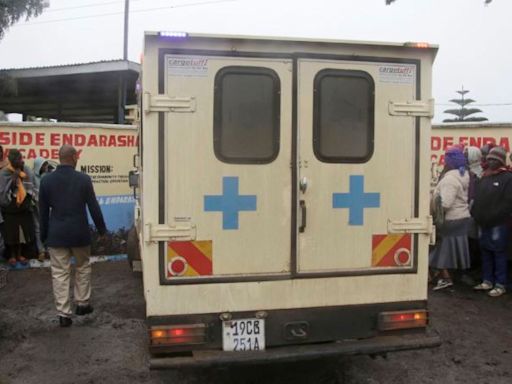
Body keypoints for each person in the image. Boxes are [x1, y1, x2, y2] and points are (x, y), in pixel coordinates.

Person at [39, 145, 107, 327]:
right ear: (75, 158)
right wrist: (102, 230)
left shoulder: (46, 181)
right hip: (79, 234)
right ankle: (82, 304)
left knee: (60, 274)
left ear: (59, 158)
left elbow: (43, 213)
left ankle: (63, 315)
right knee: (83, 267)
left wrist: (44, 236)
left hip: (56, 235)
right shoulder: (83, 179)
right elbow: (94, 207)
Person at [471, 146, 512, 297]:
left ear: (501, 161)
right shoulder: (485, 176)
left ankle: (500, 284)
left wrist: (494, 216)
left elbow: (508, 203)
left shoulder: (508, 178)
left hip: (498, 223)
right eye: (489, 159)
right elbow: (477, 198)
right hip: (482, 222)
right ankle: (487, 281)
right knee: (485, 251)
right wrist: (476, 213)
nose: (491, 161)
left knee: (499, 252)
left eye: (494, 159)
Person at [429, 146, 472, 290]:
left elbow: (445, 203)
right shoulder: (464, 175)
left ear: (449, 161)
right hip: (462, 218)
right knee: (452, 249)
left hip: (451, 219)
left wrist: (433, 203)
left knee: (440, 249)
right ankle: (446, 275)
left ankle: (445, 277)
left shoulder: (450, 180)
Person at [0, 149, 35, 267]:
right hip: (9, 209)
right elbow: (3, 192)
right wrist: (14, 179)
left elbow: (30, 186)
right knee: (11, 234)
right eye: (18, 159)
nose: (21, 161)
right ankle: (12, 255)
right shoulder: (4, 173)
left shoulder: (25, 171)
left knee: (21, 234)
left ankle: (20, 254)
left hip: (22, 207)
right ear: (12, 161)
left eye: (21, 158)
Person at [32, 157, 55, 261]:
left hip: (48, 207)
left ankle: (49, 250)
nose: (46, 167)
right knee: (38, 228)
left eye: (46, 164)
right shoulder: (32, 176)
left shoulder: (49, 175)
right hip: (36, 206)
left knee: (49, 227)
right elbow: (31, 191)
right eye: (44, 165)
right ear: (39, 167)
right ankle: (41, 251)